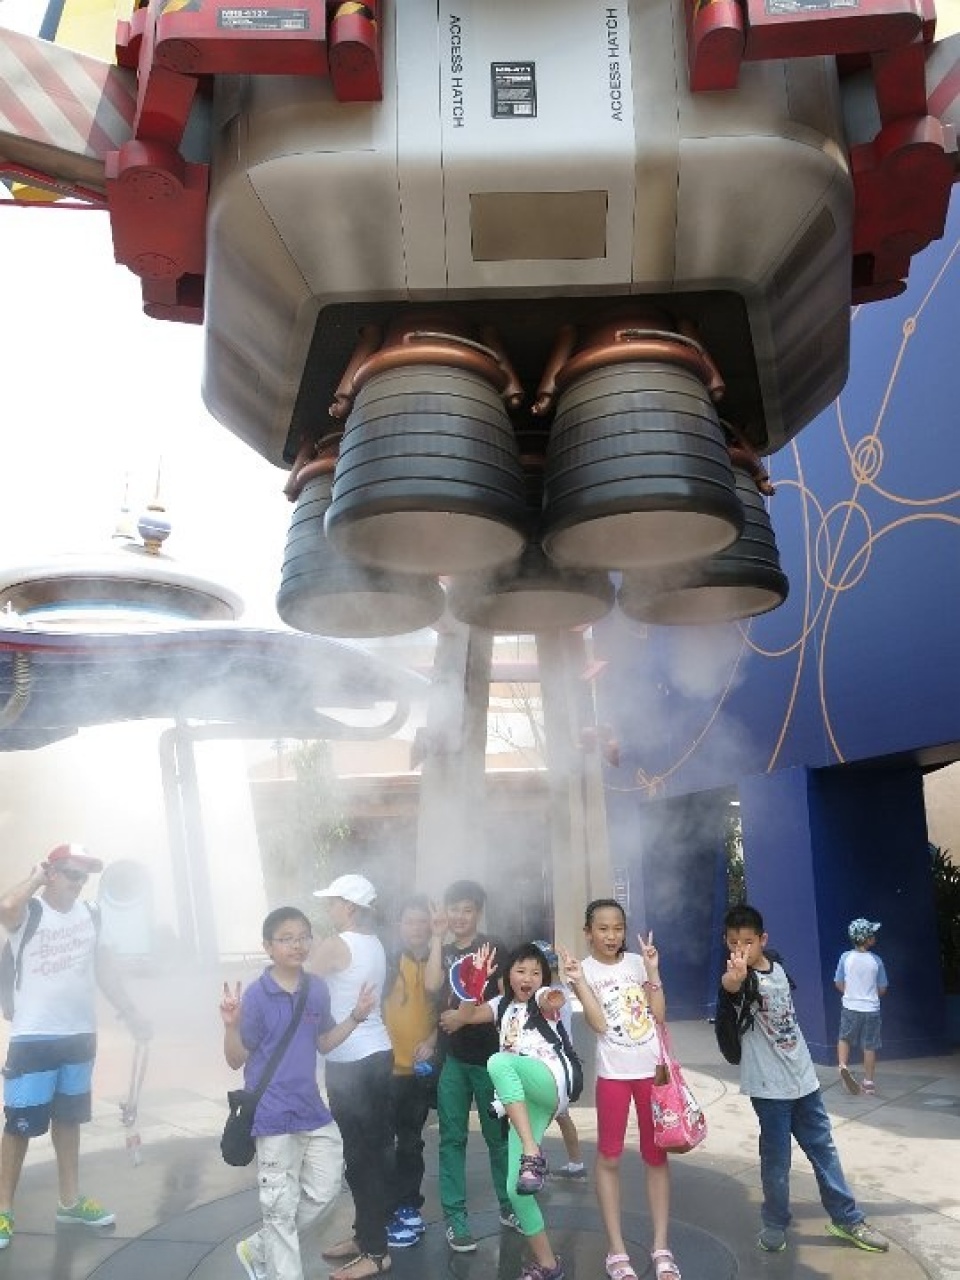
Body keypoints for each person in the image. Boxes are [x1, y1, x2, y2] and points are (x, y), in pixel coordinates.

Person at [0, 844, 151, 1251]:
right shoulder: (29, 911)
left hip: (80, 1035)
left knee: (68, 1120)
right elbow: (6, 907)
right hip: (34, 1036)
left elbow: (105, 970)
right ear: (51, 873)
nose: (78, 882)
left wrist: (131, 1012)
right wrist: (35, 877)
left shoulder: (91, 914)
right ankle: (3, 1210)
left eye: (84, 876)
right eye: (71, 873)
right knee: (19, 1125)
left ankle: (69, 1202)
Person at [722, 903, 889, 1254]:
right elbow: (730, 986)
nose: (741, 949)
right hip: (768, 1088)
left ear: (763, 940)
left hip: (804, 1080)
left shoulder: (778, 967)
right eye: (734, 943)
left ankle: (847, 1219)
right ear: (726, 943)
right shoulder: (740, 978)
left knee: (824, 1150)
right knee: (777, 1160)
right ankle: (774, 1223)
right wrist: (734, 977)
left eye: (748, 942)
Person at [220, 906, 375, 1280]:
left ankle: (259, 1249)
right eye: (286, 939)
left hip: (311, 1109)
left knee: (325, 1191)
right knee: (279, 1208)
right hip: (271, 1114)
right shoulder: (257, 996)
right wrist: (231, 1026)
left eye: (304, 937)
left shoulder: (316, 989)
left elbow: (324, 1042)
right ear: (268, 946)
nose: (297, 945)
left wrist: (356, 1017)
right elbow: (235, 1059)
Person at [561, 899, 680, 1280]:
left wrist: (653, 970)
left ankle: (661, 1247)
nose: (611, 936)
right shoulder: (584, 970)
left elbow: (658, 1014)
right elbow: (598, 1024)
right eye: (603, 929)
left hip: (653, 1073)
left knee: (656, 1156)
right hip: (613, 1075)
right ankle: (616, 1250)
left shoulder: (637, 963)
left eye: (617, 928)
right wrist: (579, 983)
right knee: (609, 1157)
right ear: (588, 932)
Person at [440, 941, 573, 1280]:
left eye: (535, 972)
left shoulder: (540, 1000)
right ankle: (548, 1264)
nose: (527, 978)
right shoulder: (501, 1005)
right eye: (520, 970)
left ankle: (532, 1152)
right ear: (507, 975)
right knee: (517, 1190)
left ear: (543, 977)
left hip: (548, 1081)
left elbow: (552, 1000)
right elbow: (465, 1016)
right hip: (523, 1101)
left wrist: (558, 991)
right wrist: (475, 984)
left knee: (497, 1061)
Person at [311, 874, 399, 1278]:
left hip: (352, 1060)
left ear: (348, 906)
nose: (328, 909)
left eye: (332, 902)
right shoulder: (374, 943)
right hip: (375, 1053)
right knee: (367, 1154)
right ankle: (366, 1237)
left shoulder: (337, 944)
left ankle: (377, 1252)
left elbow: (298, 978)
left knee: (363, 1158)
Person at [424, 878, 518, 1253]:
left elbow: (506, 1000)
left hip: (491, 1062)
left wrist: (464, 1018)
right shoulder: (444, 951)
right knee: (452, 1139)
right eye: (454, 909)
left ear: (479, 913)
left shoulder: (494, 948)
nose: (460, 917)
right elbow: (432, 985)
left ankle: (509, 1206)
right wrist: (436, 937)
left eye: (467, 909)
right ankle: (455, 1219)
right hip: (454, 1061)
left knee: (500, 1138)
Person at [381, 894, 440, 1247]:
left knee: (410, 1142)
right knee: (384, 1143)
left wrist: (432, 1040)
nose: (416, 928)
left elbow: (445, 1006)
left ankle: (408, 1206)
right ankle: (387, 1208)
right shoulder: (386, 962)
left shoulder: (440, 961)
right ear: (398, 925)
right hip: (386, 1070)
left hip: (418, 1071)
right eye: (409, 921)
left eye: (423, 922)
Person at [533, 940, 585, 1181]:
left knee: (536, 1116)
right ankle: (575, 1163)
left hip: (551, 1063)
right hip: (562, 1062)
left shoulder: (551, 995)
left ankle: (535, 1164)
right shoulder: (561, 989)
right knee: (562, 1115)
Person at [835, 918, 888, 1096]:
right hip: (871, 1009)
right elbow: (882, 988)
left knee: (844, 1038)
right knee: (869, 1045)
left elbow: (838, 982)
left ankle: (843, 1066)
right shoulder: (876, 961)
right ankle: (869, 1082)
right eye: (872, 934)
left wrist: (850, 993)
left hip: (850, 1006)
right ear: (867, 939)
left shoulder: (845, 957)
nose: (875, 936)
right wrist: (871, 995)